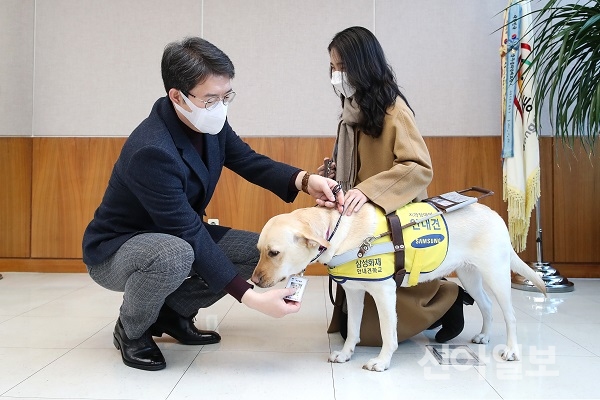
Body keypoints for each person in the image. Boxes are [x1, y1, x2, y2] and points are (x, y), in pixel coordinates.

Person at [82, 37, 344, 371]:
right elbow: (188, 232)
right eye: (211, 99)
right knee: (175, 255)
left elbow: (249, 161)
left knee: (259, 252)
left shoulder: (207, 122)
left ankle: (173, 316)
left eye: (226, 96)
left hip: (176, 234)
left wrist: (307, 181)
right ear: (177, 96)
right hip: (119, 249)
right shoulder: (151, 149)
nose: (220, 106)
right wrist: (252, 299)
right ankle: (131, 331)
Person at [320, 26, 471, 346]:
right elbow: (353, 166)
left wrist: (367, 190)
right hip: (361, 216)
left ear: (363, 65)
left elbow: (418, 167)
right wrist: (332, 176)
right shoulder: (350, 109)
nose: (336, 75)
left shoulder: (393, 109)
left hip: (392, 216)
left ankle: (447, 299)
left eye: (342, 67)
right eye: (333, 67)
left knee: (373, 320)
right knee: (355, 316)